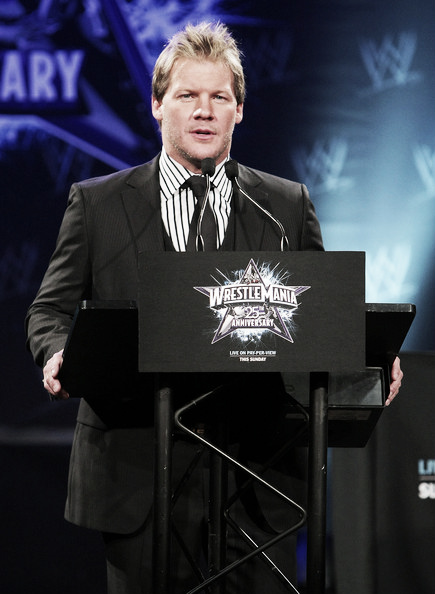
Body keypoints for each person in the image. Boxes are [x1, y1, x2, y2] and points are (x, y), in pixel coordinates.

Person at [25, 21, 403, 594]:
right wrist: (57, 353)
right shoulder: (98, 205)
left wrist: (368, 356)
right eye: (187, 96)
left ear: (238, 111)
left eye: (219, 97)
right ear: (157, 105)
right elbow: (49, 311)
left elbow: (323, 314)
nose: (204, 111)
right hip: (137, 476)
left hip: (256, 478)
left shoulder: (284, 205)